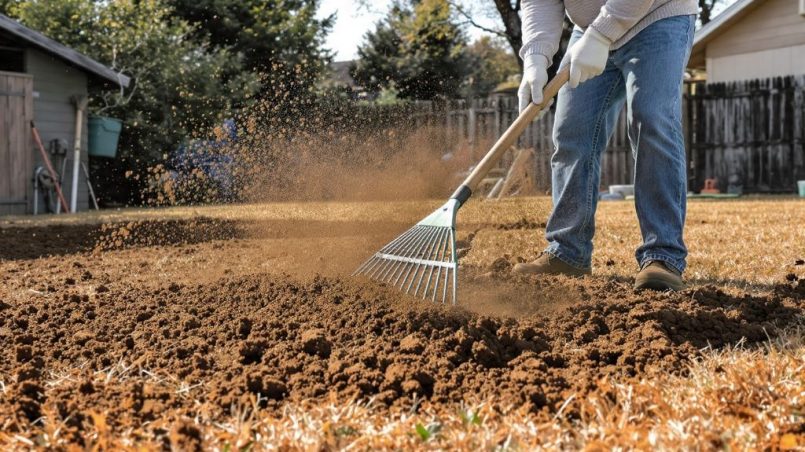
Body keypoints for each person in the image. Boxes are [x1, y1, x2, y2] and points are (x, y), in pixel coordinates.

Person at [512, 0, 698, 291]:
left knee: (651, 118)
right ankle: (567, 251)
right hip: (588, 30)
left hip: (657, 16)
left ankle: (663, 255)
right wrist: (535, 59)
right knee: (572, 132)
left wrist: (601, 35)